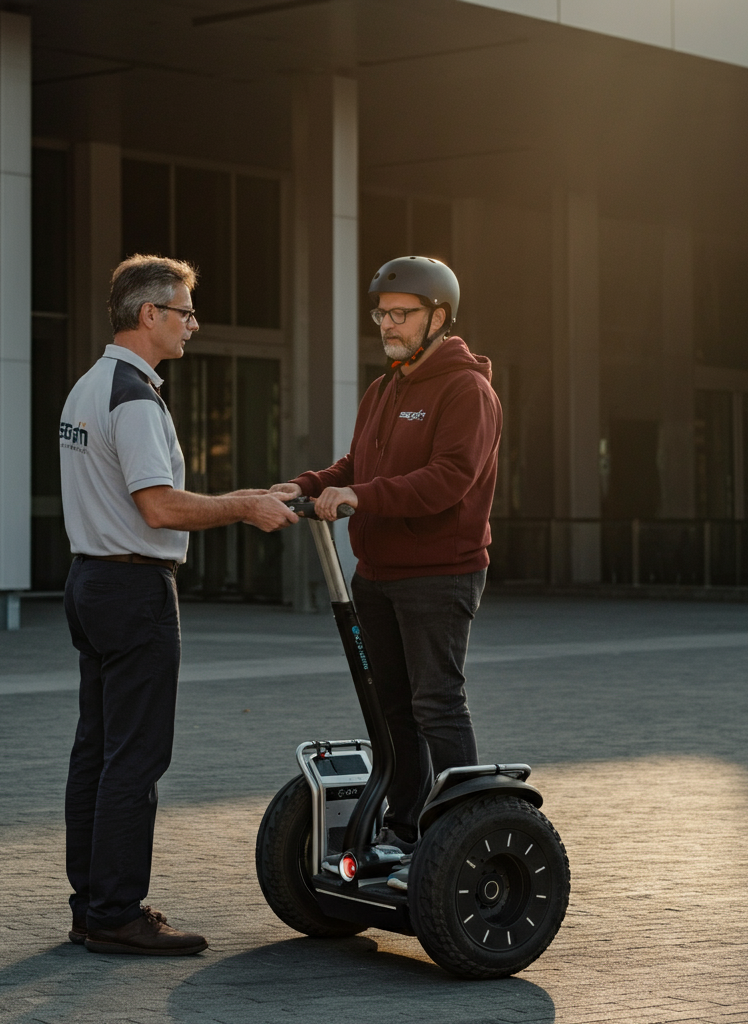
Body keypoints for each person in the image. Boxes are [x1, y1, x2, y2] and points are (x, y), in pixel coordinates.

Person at [60, 254, 298, 955]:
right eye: (186, 311)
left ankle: (91, 904)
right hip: (133, 591)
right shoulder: (132, 396)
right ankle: (116, 916)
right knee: (135, 758)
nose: (195, 324)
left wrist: (249, 495)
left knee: (97, 754)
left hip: (89, 582)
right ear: (149, 315)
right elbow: (159, 506)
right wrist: (246, 507)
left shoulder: (88, 386)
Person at [271, 256, 502, 889]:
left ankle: (465, 837)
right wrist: (312, 483)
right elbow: (360, 461)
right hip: (376, 573)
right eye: (382, 313)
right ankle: (407, 831)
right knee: (391, 710)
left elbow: (450, 480)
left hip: (438, 574)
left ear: (439, 316)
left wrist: (361, 498)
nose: (388, 324)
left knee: (437, 706)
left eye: (401, 314)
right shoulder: (385, 388)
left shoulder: (465, 390)